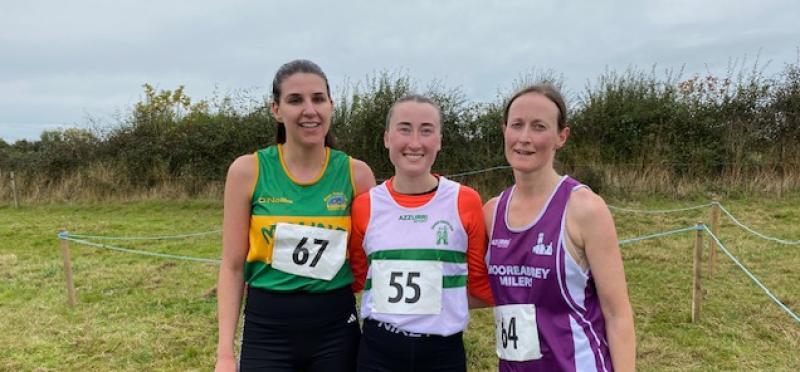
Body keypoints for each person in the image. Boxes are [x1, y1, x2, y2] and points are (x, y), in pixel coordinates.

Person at [215, 59, 375, 372]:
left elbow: (376, 265)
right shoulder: (247, 171)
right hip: (267, 330)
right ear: (276, 109)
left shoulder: (357, 174)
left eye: (318, 99)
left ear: (331, 105)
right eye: (295, 100)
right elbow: (232, 266)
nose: (309, 110)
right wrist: (224, 354)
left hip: (336, 329)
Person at [483, 85, 635, 371]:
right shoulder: (491, 212)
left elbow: (617, 314)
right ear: (505, 130)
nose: (525, 138)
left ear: (561, 137)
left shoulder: (585, 209)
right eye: (517, 125)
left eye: (539, 127)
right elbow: (476, 290)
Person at [349, 95, 494, 372]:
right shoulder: (365, 205)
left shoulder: (465, 200)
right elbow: (358, 279)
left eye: (426, 130)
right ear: (387, 138)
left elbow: (480, 286)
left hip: (443, 352)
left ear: (439, 140)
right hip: (378, 350)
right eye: (404, 129)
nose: (415, 142)